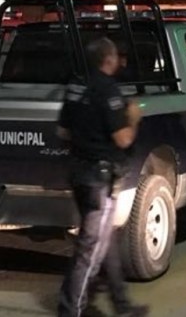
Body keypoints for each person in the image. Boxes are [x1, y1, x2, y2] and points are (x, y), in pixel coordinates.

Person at [57, 38, 148, 317]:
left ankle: (121, 304)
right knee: (91, 249)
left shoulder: (75, 86)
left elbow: (63, 131)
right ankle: (71, 309)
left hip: (78, 172)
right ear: (108, 60)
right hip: (100, 178)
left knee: (105, 243)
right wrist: (133, 117)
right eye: (116, 56)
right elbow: (123, 139)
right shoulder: (108, 89)